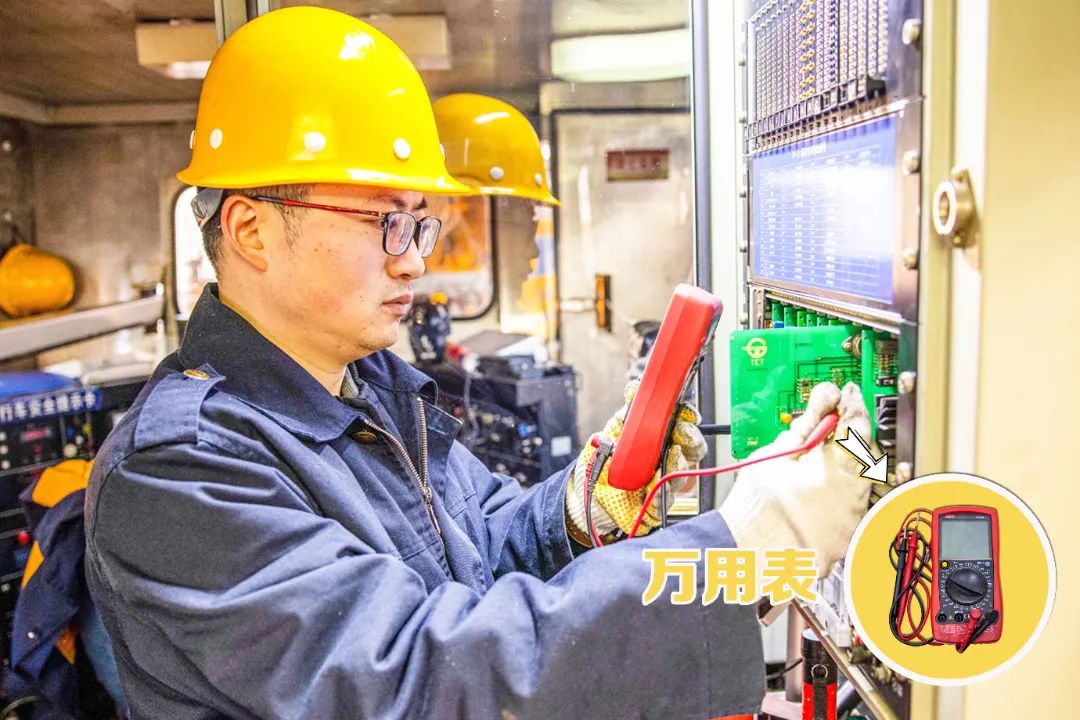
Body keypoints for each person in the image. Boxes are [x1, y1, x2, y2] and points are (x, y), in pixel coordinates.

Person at [84, 7, 872, 719]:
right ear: (251, 231)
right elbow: (418, 676)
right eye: (383, 223)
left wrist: (580, 506)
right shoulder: (181, 470)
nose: (413, 262)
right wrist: (743, 552)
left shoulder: (369, 391)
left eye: (417, 225)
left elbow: (479, 550)